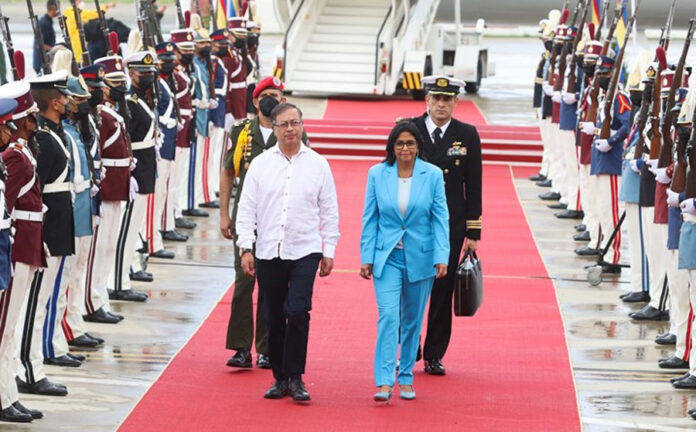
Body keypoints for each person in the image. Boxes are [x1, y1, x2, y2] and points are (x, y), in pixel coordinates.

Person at [235, 102, 339, 402]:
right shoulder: (260, 165)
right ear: (274, 128)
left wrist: (329, 249)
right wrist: (246, 247)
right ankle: (280, 378)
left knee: (298, 311)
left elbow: (329, 210)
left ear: (302, 125)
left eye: (295, 123)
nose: (291, 129)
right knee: (273, 314)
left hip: (305, 249)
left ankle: (296, 377)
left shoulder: (318, 164)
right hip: (269, 250)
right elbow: (247, 209)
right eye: (284, 124)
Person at [360, 120, 449, 401]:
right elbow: (370, 218)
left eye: (410, 143)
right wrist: (366, 256)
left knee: (412, 321)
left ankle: (406, 376)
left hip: (420, 258)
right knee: (388, 316)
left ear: (418, 146)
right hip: (387, 257)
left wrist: (441, 255)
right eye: (399, 143)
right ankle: (385, 381)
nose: (405, 148)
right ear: (392, 146)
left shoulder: (432, 175)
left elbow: (441, 218)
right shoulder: (377, 174)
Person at [409, 76, 482, 376]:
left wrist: (473, 231)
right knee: (410, 288)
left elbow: (473, 184)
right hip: (413, 223)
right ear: (426, 99)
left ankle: (434, 354)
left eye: (447, 99)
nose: (441, 104)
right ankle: (410, 345)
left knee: (442, 290)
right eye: (436, 98)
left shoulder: (467, 134)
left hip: (449, 225)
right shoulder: (409, 129)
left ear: (456, 102)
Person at [221, 76, 289, 370]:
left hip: (277, 216)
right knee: (243, 282)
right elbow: (228, 171)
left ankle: (266, 348)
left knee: (271, 284)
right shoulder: (241, 132)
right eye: (265, 95)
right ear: (256, 101)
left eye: (276, 95)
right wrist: (224, 213)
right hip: (247, 215)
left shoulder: (290, 130)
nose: (271, 100)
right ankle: (240, 347)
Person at [0, 92, 44, 422]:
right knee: (5, 329)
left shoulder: (18, 153)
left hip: (23, 243)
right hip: (14, 247)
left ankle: (8, 393)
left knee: (11, 328)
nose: (8, 133)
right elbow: (10, 205)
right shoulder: (14, 157)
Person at [33, 0, 58, 74]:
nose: (57, 11)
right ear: (51, 9)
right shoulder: (44, 23)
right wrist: (54, 49)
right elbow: (40, 45)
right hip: (41, 63)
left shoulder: (48, 21)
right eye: (56, 9)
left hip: (45, 61)